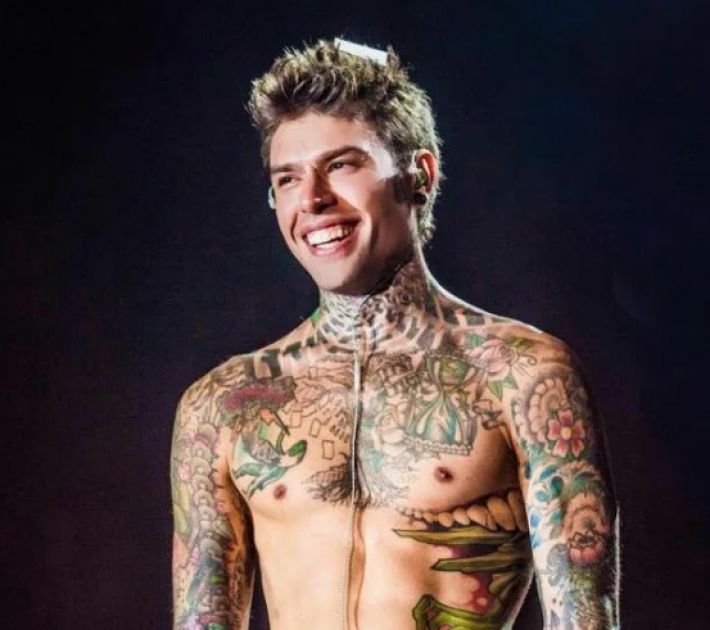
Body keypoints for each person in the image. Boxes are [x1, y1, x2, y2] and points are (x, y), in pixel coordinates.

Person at [170, 38, 619, 630]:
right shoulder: (222, 405)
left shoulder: (522, 376)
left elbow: (584, 618)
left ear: (419, 175)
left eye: (341, 165)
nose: (313, 199)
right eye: (288, 178)